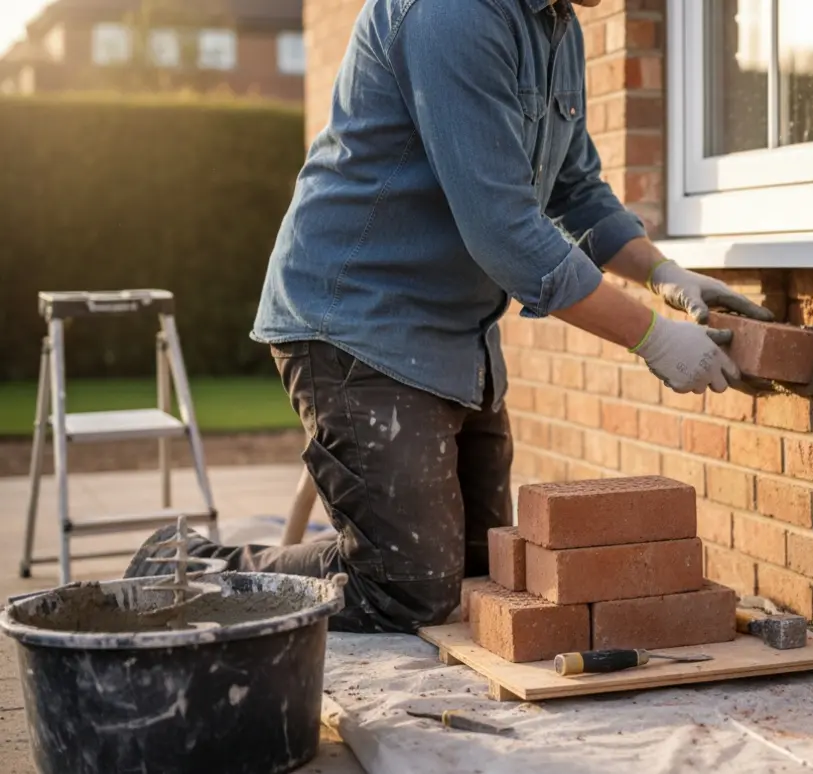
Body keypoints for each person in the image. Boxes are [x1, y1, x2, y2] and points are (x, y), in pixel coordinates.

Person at [122, 0, 773, 633]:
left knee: (480, 568)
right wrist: (652, 339)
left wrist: (665, 275)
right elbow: (506, 233)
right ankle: (180, 568)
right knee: (408, 585)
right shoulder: (451, 13)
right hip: (358, 321)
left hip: (456, 336)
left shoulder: (557, 26)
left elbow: (577, 191)